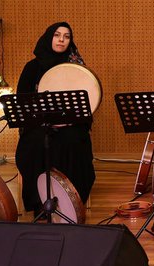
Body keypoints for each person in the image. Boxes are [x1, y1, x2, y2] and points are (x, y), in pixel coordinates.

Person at [14, 22, 95, 216]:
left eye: (67, 37)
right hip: (39, 125)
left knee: (73, 141)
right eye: (57, 35)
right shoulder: (32, 68)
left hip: (70, 125)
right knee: (36, 143)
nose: (61, 40)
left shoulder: (77, 68)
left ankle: (71, 202)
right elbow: (22, 103)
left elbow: (88, 104)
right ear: (48, 37)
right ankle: (40, 203)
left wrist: (69, 121)